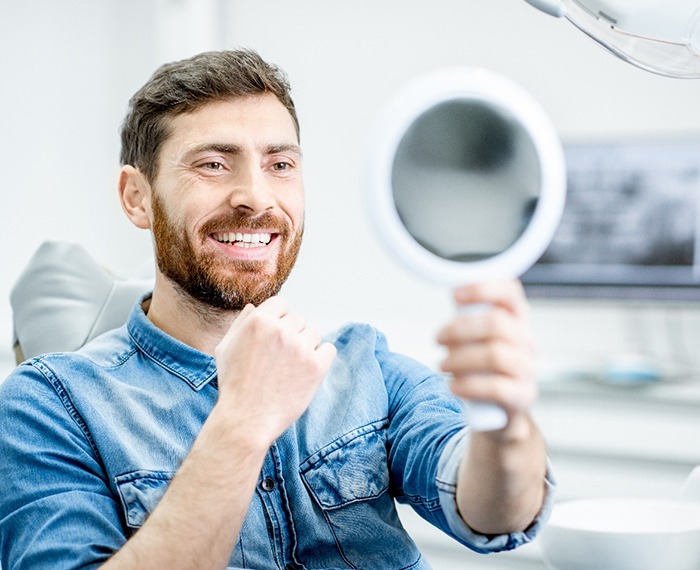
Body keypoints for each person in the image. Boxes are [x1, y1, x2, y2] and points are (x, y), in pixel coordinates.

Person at [0, 49, 554, 569]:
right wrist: (243, 422)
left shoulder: (365, 365)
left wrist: (504, 426)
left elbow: (496, 513)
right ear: (136, 197)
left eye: (280, 164)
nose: (257, 198)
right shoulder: (47, 406)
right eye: (214, 164)